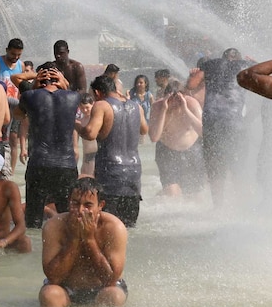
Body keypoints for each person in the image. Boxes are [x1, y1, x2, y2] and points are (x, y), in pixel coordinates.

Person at [39, 177, 128, 307]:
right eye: (75, 203)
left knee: (113, 296)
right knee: (49, 295)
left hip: (104, 288)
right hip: (66, 288)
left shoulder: (114, 227)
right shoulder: (54, 226)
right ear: (69, 202)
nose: (80, 210)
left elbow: (110, 280)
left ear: (100, 206)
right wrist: (74, 239)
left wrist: (89, 239)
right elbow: (54, 277)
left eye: (88, 205)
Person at [77, 76, 147, 227]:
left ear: (97, 93)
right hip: (134, 174)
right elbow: (144, 129)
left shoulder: (102, 105)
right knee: (128, 228)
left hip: (110, 173)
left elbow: (90, 133)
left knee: (107, 228)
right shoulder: (136, 106)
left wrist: (75, 124)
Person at [17, 63, 80, 229]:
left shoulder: (29, 96)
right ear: (60, 79)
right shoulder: (74, 97)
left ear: (39, 78)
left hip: (39, 164)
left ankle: (36, 253)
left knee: (33, 220)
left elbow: (19, 113)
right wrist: (64, 83)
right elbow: (69, 92)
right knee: (69, 217)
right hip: (66, 165)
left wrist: (35, 84)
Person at [191, 48, 251, 206]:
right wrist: (254, 61)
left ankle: (218, 206)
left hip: (212, 123)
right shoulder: (245, 65)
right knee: (237, 165)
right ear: (237, 58)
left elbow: (191, 84)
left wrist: (195, 74)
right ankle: (242, 205)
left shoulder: (210, 64)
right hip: (235, 123)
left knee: (215, 167)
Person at [148, 81, 205, 196]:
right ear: (165, 97)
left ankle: (159, 197)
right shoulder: (158, 107)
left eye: (178, 99)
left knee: (193, 195)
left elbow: (203, 132)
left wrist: (185, 109)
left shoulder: (192, 104)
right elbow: (154, 137)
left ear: (184, 96)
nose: (174, 104)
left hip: (191, 151)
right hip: (166, 151)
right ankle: (159, 200)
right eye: (171, 99)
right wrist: (164, 110)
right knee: (172, 193)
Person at [0, 38, 26, 174]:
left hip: (15, 107)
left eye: (18, 55)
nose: (15, 58)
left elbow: (23, 86)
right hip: (0, 107)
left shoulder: (21, 65)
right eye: (13, 54)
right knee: (0, 137)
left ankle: (10, 171)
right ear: (7, 50)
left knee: (13, 138)